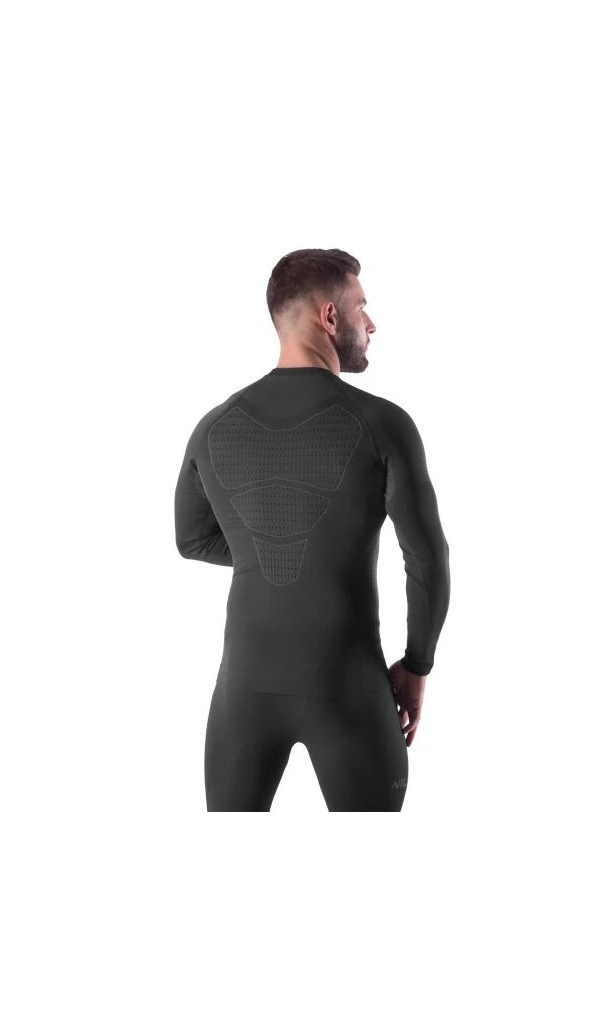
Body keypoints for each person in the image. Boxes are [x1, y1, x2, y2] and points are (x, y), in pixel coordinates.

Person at [174, 248, 451, 811]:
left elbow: (192, 539)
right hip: (350, 693)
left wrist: (264, 548)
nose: (371, 323)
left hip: (242, 697)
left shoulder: (215, 426)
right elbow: (427, 562)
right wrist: (417, 665)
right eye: (361, 307)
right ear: (329, 317)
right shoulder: (383, 424)